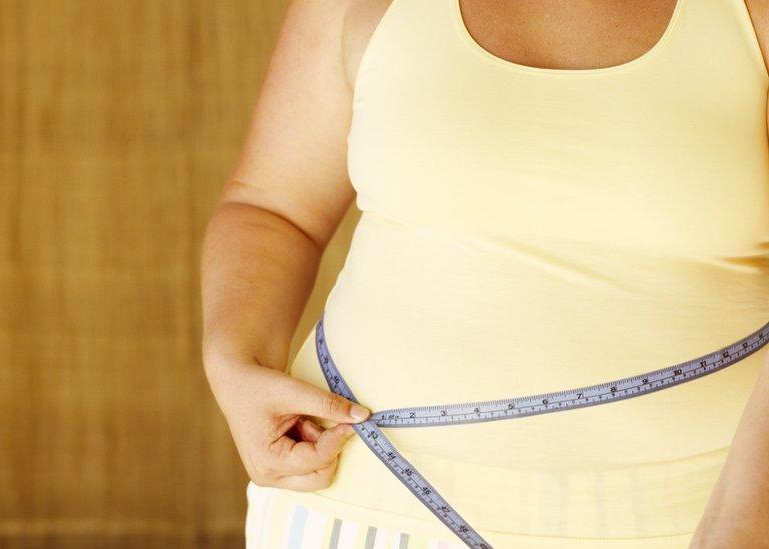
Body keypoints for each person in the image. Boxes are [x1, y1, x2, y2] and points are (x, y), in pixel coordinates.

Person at [200, 0, 769, 547]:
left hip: (701, 521)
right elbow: (274, 208)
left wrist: (746, 523)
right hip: (356, 499)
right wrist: (234, 362)